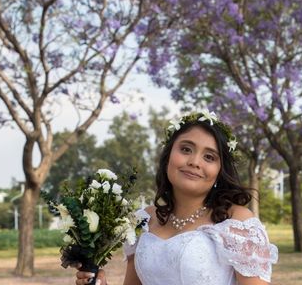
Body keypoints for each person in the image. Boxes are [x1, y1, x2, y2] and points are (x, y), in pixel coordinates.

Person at [74, 110, 278, 285]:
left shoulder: (237, 223)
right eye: (186, 149)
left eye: (209, 157)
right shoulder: (142, 221)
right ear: (169, 156)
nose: (195, 161)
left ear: (219, 170)